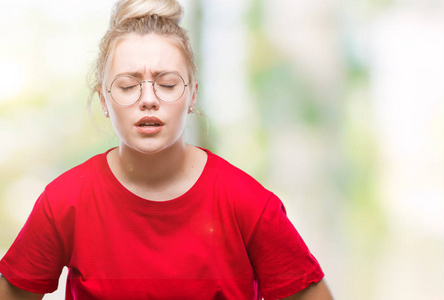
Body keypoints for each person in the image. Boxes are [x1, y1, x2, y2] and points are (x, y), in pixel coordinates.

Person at [0, 0, 334, 299]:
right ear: (104, 99)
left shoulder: (246, 203)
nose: (148, 100)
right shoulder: (64, 202)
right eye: (128, 85)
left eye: (167, 84)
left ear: (192, 96)